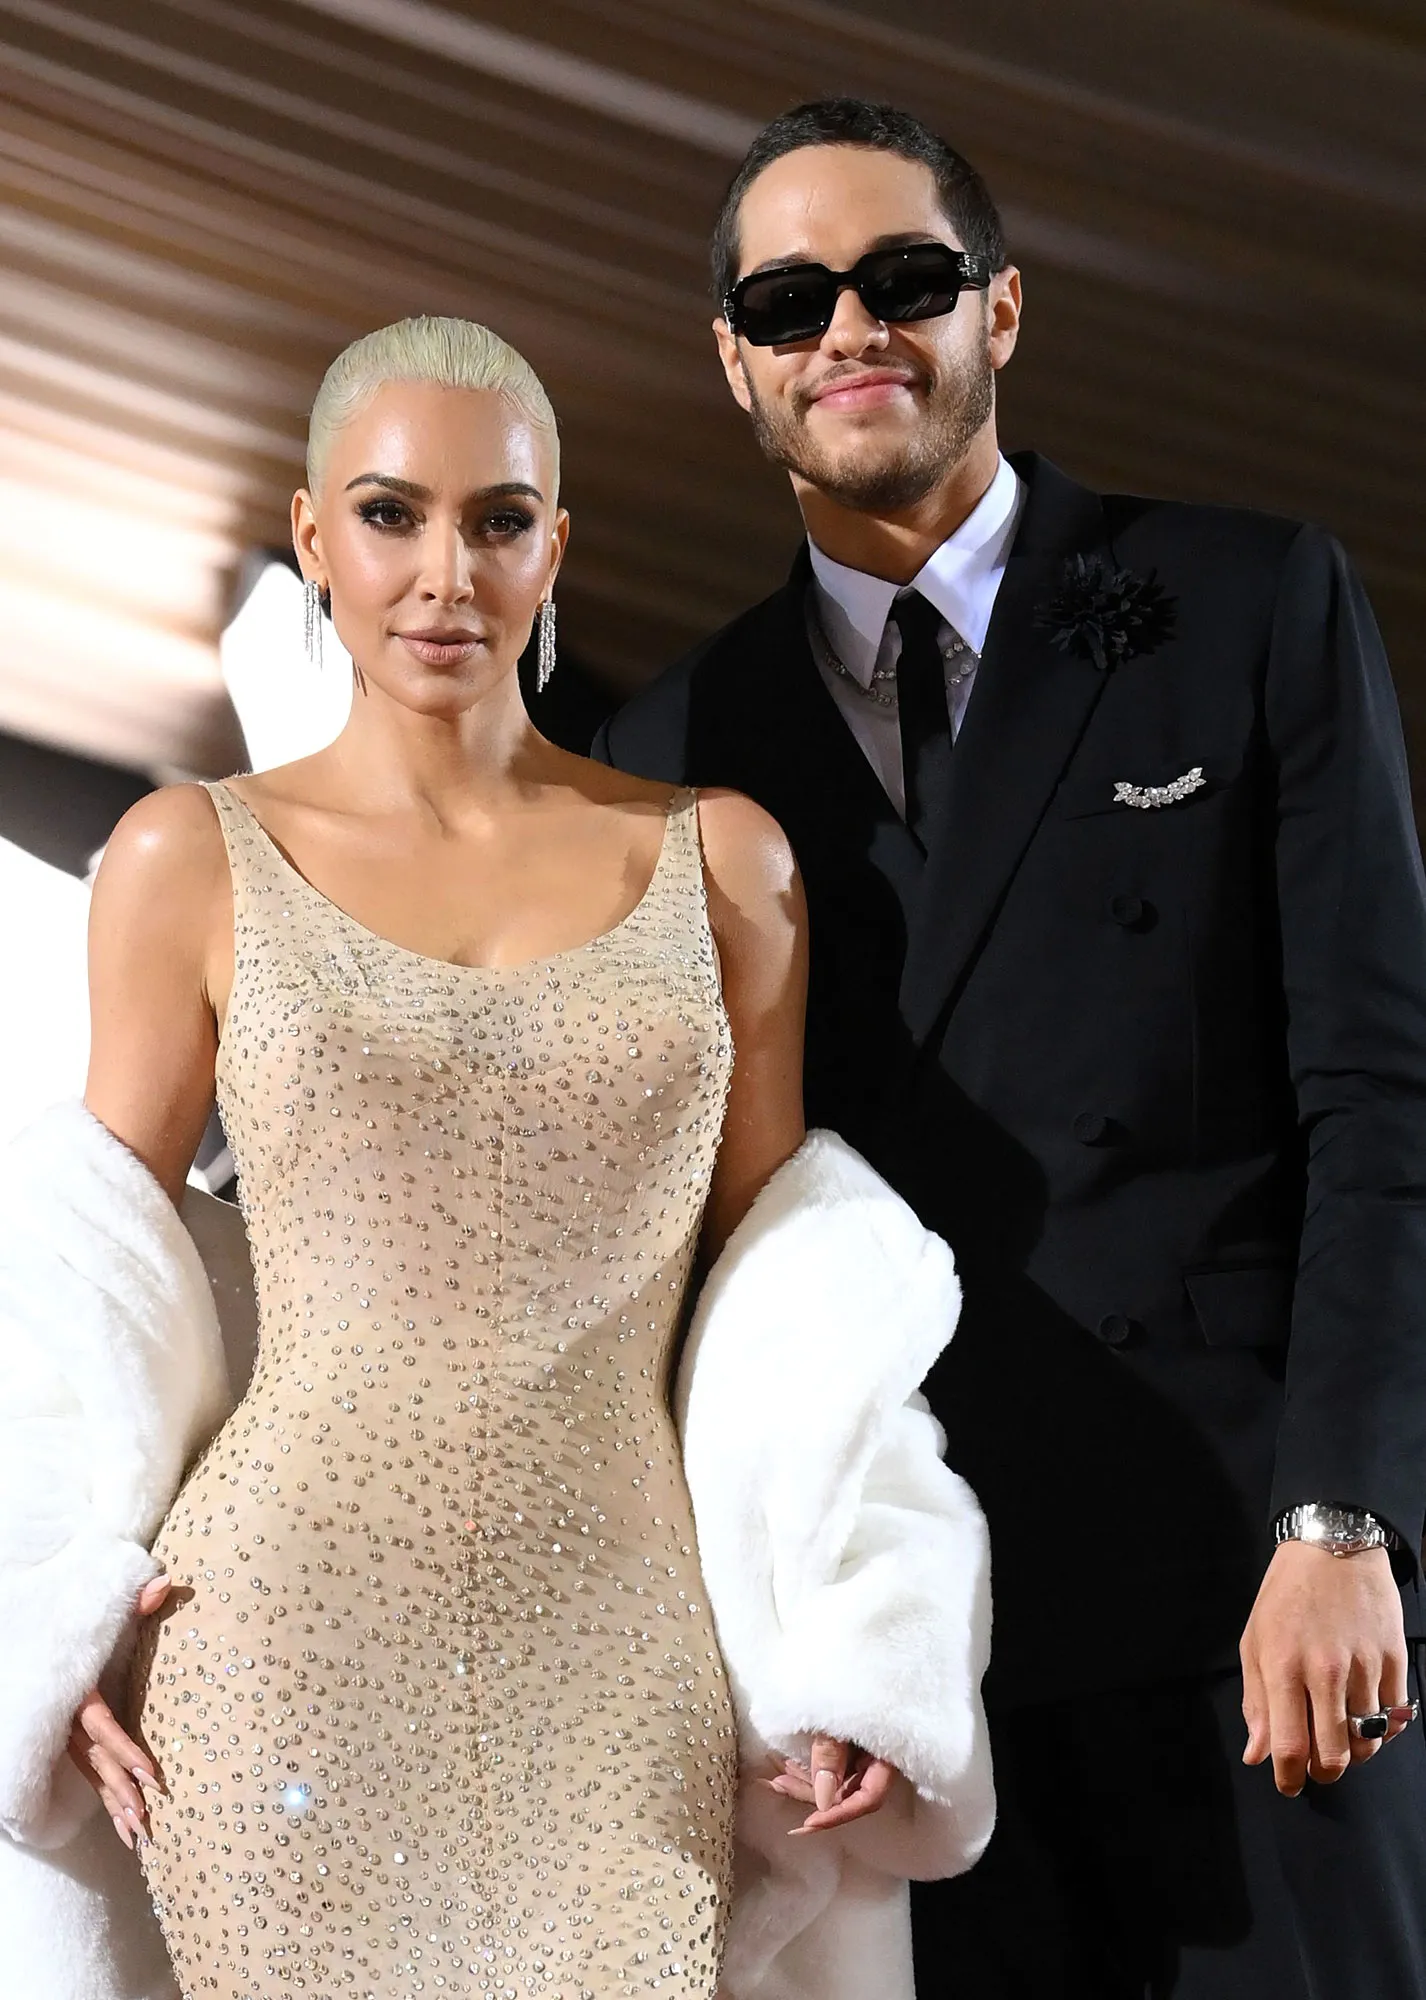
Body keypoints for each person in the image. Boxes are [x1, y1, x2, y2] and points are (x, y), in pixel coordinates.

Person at [594, 97, 1426, 1999]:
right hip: (927, 1666)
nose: (848, 331)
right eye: (789, 302)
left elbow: (1382, 1109)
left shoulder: (1249, 603)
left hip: (1258, 1606)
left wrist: (1344, 1519)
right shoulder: (672, 747)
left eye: (904, 279)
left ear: (1002, 308)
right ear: (734, 360)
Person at [58, 315, 933, 2000]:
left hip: (621, 1663)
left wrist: (853, 1629)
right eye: (388, 515)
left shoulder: (724, 862)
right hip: (275, 1648)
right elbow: (85, 1271)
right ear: (313, 536)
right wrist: (43, 1601)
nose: (444, 573)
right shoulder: (188, 856)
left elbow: (790, 1302)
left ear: (557, 546)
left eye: (498, 520)